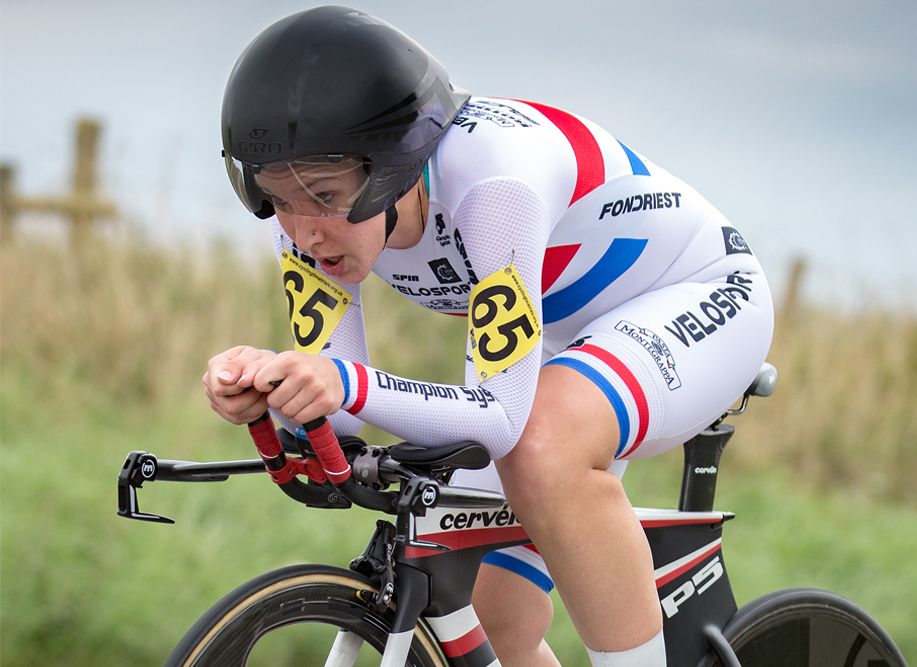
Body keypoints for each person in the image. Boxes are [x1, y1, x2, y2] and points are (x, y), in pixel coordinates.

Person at [204, 6, 773, 666]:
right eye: (279, 201)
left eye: (325, 197)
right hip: (566, 333)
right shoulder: (309, 221)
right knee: (495, 622)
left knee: (540, 446)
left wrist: (340, 383)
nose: (303, 233)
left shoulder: (493, 186)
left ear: (394, 168)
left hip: (698, 291)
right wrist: (272, 390)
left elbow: (500, 421)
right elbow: (341, 402)